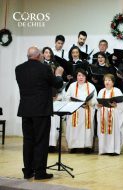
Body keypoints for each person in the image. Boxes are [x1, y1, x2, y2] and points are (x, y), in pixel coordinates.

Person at [15, 46, 64, 180]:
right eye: (42, 54)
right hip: (41, 110)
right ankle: (40, 172)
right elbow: (57, 84)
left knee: (28, 141)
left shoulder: (19, 69)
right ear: (38, 56)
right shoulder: (44, 69)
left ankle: (28, 171)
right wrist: (59, 74)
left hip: (26, 110)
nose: (43, 56)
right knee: (41, 142)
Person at [64, 69, 97, 153]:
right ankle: (74, 146)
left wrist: (89, 103)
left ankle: (87, 147)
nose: (81, 77)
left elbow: (95, 99)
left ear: (86, 77)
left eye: (83, 76)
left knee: (87, 128)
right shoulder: (72, 86)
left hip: (87, 110)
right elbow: (67, 97)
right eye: (79, 75)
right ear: (76, 77)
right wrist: (72, 101)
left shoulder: (91, 86)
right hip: (75, 111)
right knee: (74, 128)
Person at [96, 74, 123, 155]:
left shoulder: (117, 91)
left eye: (109, 80)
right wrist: (98, 106)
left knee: (113, 132)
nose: (107, 82)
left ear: (113, 82)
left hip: (113, 115)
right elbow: (97, 103)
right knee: (104, 132)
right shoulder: (101, 91)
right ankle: (104, 150)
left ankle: (114, 150)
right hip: (103, 115)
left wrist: (116, 105)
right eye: (105, 80)